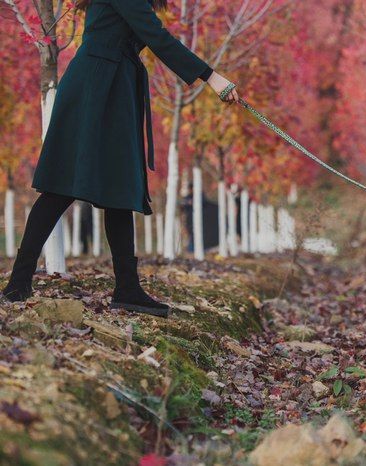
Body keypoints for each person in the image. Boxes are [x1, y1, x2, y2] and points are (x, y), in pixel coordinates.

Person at [2, 0, 239, 318]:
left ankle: (127, 288)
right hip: (96, 87)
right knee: (62, 185)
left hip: (111, 85)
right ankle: (17, 284)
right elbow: (156, 36)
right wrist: (212, 78)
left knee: (117, 186)